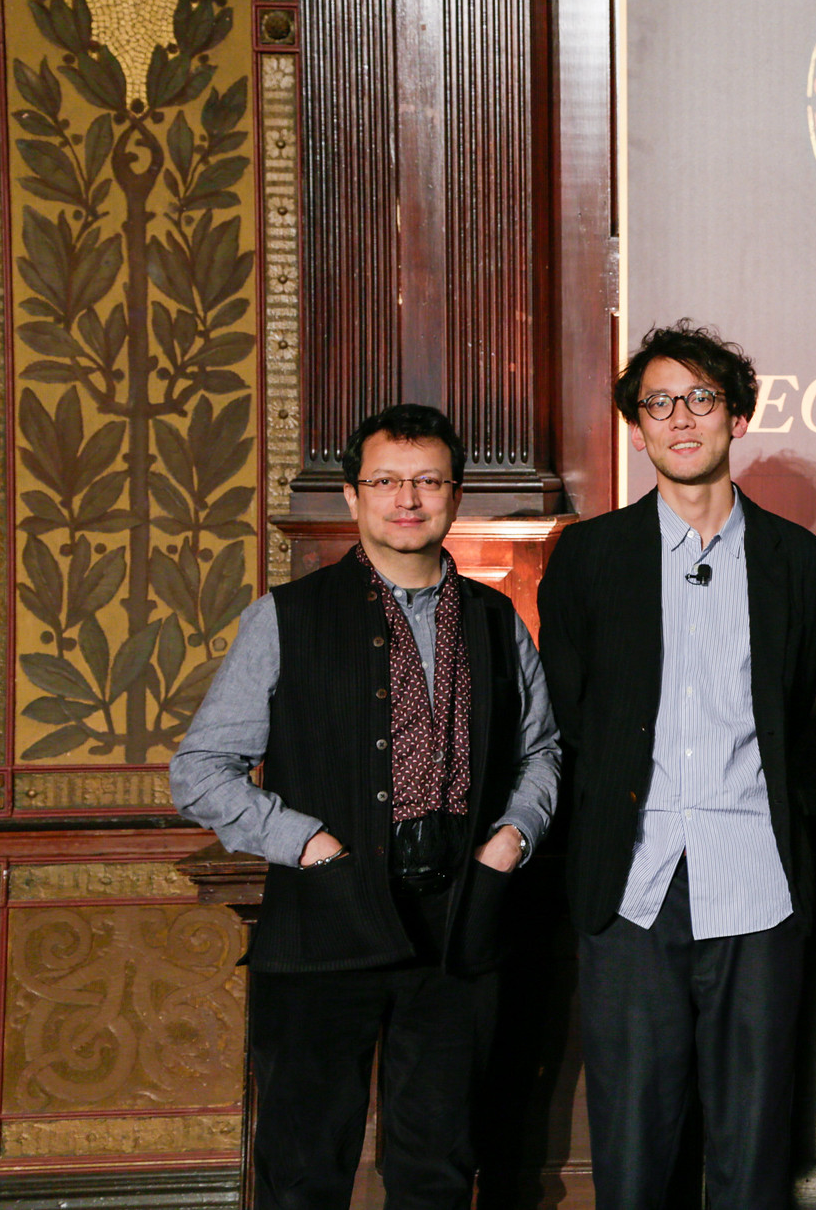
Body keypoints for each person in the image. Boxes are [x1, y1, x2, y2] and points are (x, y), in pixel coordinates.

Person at [171, 404, 561, 1210]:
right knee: (303, 1172)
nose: (407, 498)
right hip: (324, 928)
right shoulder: (286, 615)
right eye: (386, 481)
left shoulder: (495, 618)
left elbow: (543, 750)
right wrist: (308, 842)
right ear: (353, 496)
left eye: (427, 481)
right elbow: (200, 769)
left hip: (458, 932)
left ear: (455, 496)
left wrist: (513, 837)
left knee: (439, 1173)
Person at [537, 321, 816, 1210]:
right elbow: (571, 717)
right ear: (637, 427)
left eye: (701, 398)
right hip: (633, 878)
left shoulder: (793, 557)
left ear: (735, 416)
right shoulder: (589, 555)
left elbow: (783, 712)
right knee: (634, 1150)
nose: (680, 418)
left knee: (751, 1151)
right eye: (659, 402)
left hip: (757, 877)